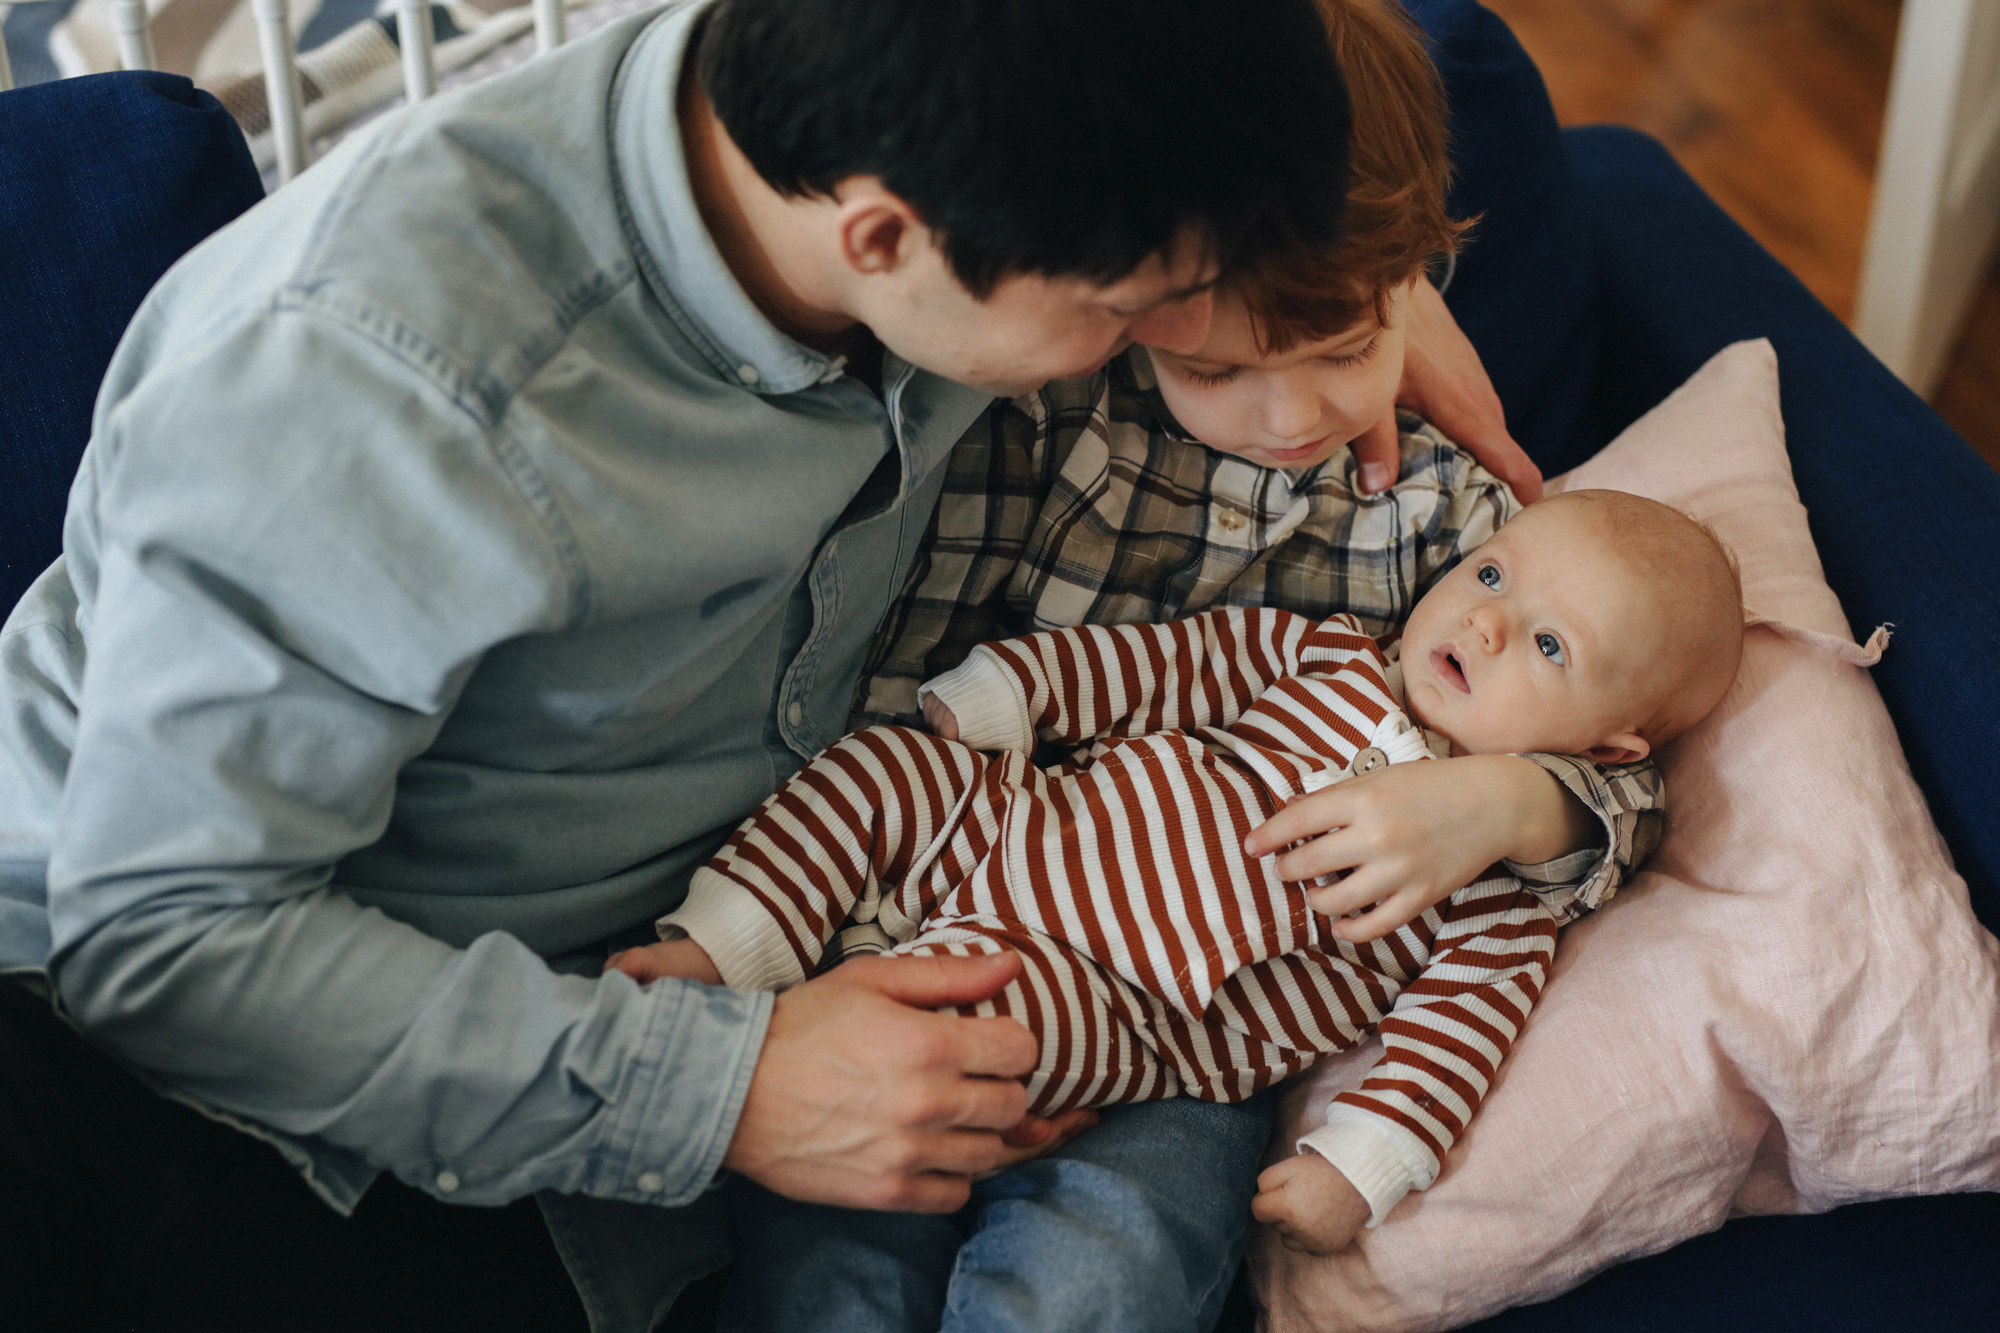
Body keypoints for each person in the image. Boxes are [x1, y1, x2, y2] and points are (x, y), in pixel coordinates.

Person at [0, 1, 1384, 1327]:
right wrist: (734, 1091)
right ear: (885, 236)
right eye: (1138, 304)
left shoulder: (903, 134)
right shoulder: (376, 393)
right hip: (184, 1048)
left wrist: (1335, 301)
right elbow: (164, 945)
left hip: (681, 967)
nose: (1182, 338)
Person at [683, 3, 1665, 1326]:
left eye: (1344, 349)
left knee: (1115, 1265)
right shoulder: (1041, 403)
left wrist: (1512, 803)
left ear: (1414, 283)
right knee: (826, 1270)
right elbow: (916, 700)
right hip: (952, 897)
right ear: (1138, 311)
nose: (1294, 415)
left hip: (1179, 1037)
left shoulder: (1450, 534)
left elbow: (1614, 730)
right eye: (1222, 368)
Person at [612, 488, 1744, 1265]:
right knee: (888, 765)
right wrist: (1019, 695)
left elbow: (1460, 1032)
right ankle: (730, 947)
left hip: (1111, 994)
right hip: (1014, 818)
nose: (1486, 621)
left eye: (1548, 647)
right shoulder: (1327, 651)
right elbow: (1166, 665)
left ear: (1607, 752)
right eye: (1492, 572)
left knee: (966, 1012)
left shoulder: (1497, 891)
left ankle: (798, 1038)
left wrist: (1364, 1163)